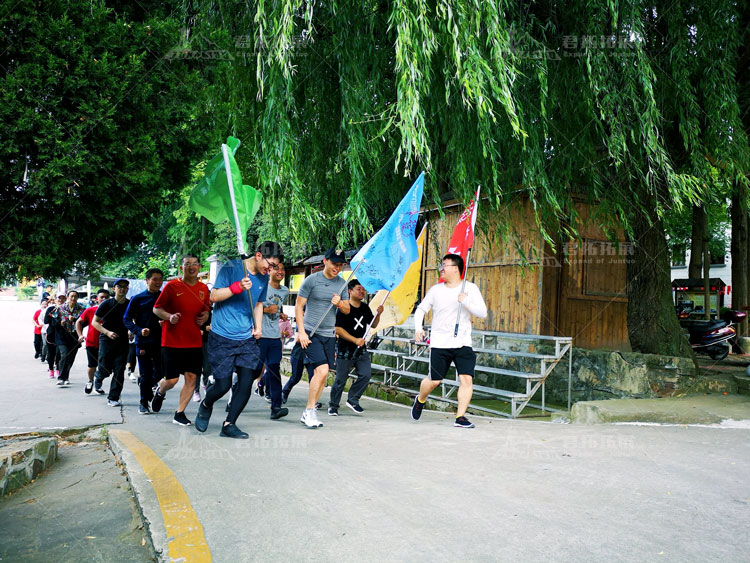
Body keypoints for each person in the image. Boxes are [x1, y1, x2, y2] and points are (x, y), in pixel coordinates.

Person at [195, 241, 279, 438]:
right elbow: (213, 296)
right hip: (222, 336)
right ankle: (206, 404)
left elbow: (258, 303)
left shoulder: (263, 277)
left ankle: (229, 424)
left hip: (246, 338)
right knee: (223, 385)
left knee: (246, 382)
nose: (272, 270)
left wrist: (258, 327)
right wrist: (237, 287)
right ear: (259, 256)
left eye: (275, 267)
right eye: (271, 265)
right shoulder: (232, 267)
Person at [411, 254, 487, 428]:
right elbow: (421, 310)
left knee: (467, 379)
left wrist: (466, 301)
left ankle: (460, 417)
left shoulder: (470, 288)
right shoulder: (436, 290)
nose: (441, 269)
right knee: (434, 381)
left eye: (444, 265)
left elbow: (482, 313)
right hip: (440, 343)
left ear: (455, 268)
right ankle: (420, 399)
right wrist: (418, 328)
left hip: (462, 343)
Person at [151, 255, 210, 426]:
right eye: (187, 264)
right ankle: (160, 391)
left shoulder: (203, 288)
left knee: (191, 378)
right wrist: (169, 316)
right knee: (172, 380)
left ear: (199, 267)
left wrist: (204, 316)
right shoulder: (171, 286)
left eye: (194, 264)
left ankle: (180, 413)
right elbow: (157, 309)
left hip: (194, 342)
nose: (191, 267)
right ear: (181, 268)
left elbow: (206, 310)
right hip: (172, 341)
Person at [296, 248, 350, 428]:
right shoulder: (312, 280)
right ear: (325, 261)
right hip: (312, 333)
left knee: (323, 374)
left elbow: (348, 309)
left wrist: (340, 303)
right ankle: (309, 410)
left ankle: (309, 411)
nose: (338, 268)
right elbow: (299, 306)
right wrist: (301, 332)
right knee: (322, 370)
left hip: (329, 335)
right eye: (335, 264)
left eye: (341, 265)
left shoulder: (342, 284)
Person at [328, 279, 383, 416]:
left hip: (361, 349)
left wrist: (379, 314)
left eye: (363, 289)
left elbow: (373, 324)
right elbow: (338, 329)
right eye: (359, 289)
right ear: (350, 291)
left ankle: (353, 399)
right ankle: (333, 405)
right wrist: (354, 339)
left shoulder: (365, 307)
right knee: (341, 379)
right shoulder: (343, 307)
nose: (362, 292)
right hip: (345, 348)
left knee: (365, 374)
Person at [249, 259, 290, 419]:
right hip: (260, 336)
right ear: (270, 270)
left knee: (274, 371)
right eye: (276, 269)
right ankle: (235, 395)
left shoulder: (285, 291)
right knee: (254, 371)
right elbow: (250, 308)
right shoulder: (260, 286)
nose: (280, 272)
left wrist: (280, 313)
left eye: (283, 270)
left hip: (274, 336)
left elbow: (277, 307)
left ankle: (276, 408)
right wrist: (266, 310)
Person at [123, 268, 164, 414]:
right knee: (145, 373)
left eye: (160, 279)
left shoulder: (165, 298)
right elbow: (126, 319)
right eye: (154, 279)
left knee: (160, 372)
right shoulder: (138, 298)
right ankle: (143, 402)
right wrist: (138, 330)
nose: (158, 282)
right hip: (143, 342)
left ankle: (151, 391)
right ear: (147, 280)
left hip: (162, 342)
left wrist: (166, 322)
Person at [91, 279, 131, 406]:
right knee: (105, 368)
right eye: (120, 286)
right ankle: (99, 376)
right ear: (114, 289)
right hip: (106, 340)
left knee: (119, 370)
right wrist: (107, 332)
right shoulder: (106, 304)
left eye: (125, 287)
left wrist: (132, 331)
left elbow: (134, 320)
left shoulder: (130, 304)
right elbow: (95, 322)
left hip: (123, 340)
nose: (122, 289)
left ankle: (113, 397)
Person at [76, 288, 110, 394]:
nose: (104, 299)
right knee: (92, 365)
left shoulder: (112, 310)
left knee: (106, 367)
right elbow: (79, 322)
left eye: (106, 297)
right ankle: (90, 381)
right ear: (97, 299)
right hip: (92, 342)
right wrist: (80, 335)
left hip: (107, 343)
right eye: (101, 297)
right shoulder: (90, 310)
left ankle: (98, 381)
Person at [48, 290, 86, 386]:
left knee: (71, 358)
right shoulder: (60, 309)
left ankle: (66, 376)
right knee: (64, 355)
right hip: (61, 337)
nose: (73, 298)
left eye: (75, 296)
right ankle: (61, 377)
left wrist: (76, 320)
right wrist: (60, 323)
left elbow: (86, 322)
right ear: (68, 297)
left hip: (74, 337)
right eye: (71, 296)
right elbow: (51, 321)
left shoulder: (82, 309)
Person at [43, 294, 66, 379]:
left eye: (63, 298)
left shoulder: (66, 309)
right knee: (51, 353)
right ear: (55, 299)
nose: (61, 300)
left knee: (59, 353)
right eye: (59, 298)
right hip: (51, 334)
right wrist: (56, 318)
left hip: (62, 335)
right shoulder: (50, 309)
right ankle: (51, 369)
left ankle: (58, 369)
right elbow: (46, 321)